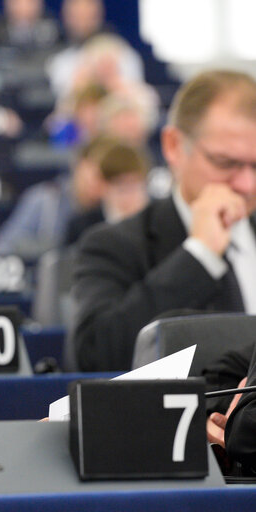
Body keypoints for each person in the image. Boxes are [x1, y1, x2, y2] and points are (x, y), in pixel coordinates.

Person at [71, 70, 256, 372]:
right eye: (226, 163)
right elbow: (94, 355)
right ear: (173, 146)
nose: (247, 185)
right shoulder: (113, 245)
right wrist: (199, 256)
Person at [64, 139, 149, 245]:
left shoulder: (155, 225)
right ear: (104, 187)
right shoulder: (82, 227)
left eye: (136, 187)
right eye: (122, 189)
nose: (130, 197)